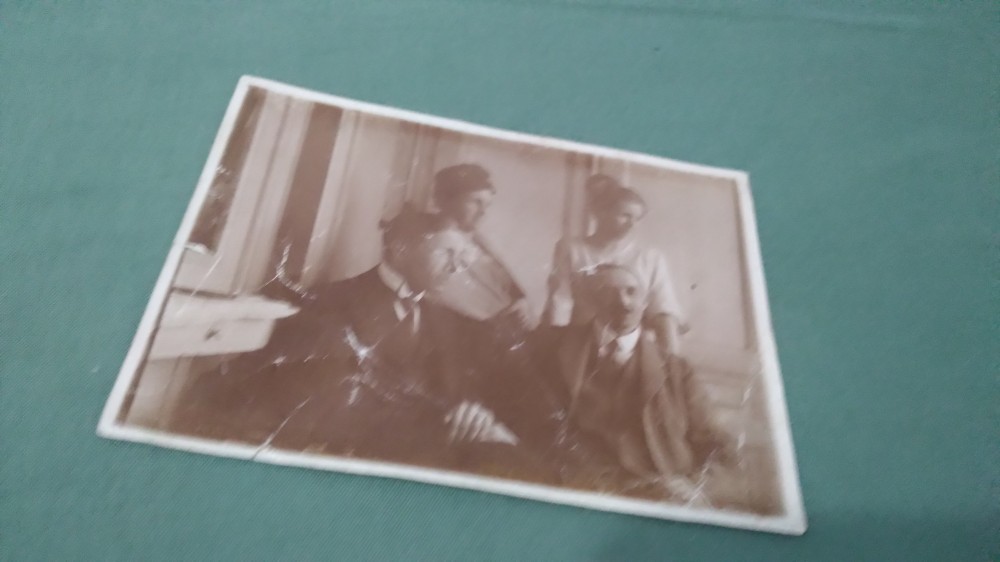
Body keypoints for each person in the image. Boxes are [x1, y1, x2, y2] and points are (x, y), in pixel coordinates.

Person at [174, 209, 516, 469]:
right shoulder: (332, 302)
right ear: (400, 250)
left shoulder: (441, 319)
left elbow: (449, 389)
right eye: (447, 254)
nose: (457, 267)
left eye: (461, 257)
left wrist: (469, 412)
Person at [545, 264, 734, 504]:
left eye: (631, 292)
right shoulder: (556, 350)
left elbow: (717, 445)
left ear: (645, 302)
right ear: (592, 300)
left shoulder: (678, 370)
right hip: (582, 487)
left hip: (662, 491)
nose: (623, 302)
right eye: (608, 292)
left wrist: (695, 486)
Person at [544, 174, 687, 357]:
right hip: (581, 342)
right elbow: (560, 300)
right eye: (625, 216)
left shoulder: (650, 258)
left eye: (637, 218)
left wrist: (671, 362)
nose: (631, 224)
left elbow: (664, 310)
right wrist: (556, 347)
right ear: (602, 212)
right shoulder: (572, 249)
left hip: (629, 347)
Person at [425, 163, 537, 336]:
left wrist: (520, 299)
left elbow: (501, 276)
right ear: (446, 199)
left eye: (487, 204)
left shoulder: (474, 240)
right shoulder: (437, 247)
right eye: (476, 202)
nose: (483, 211)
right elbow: (458, 300)